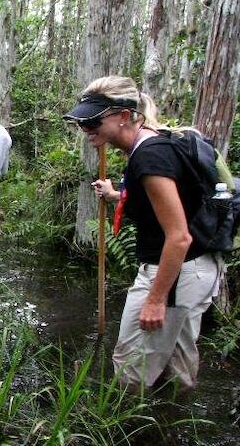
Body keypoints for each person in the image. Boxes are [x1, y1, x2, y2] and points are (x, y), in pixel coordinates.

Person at [63, 75, 222, 392]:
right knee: (178, 365)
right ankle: (172, 426)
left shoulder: (149, 156)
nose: (86, 128)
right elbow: (168, 200)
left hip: (176, 272)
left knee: (130, 370)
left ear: (124, 116)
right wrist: (116, 194)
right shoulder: (157, 142)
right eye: (82, 122)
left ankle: (127, 437)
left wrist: (155, 299)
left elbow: (178, 237)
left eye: (93, 120)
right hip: (198, 269)